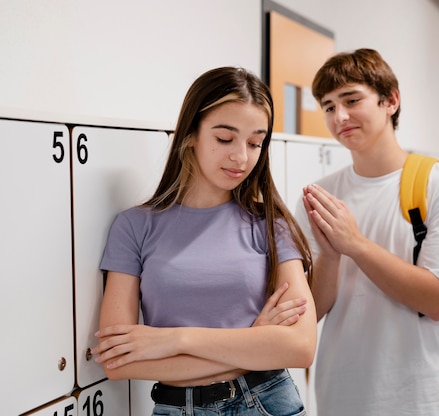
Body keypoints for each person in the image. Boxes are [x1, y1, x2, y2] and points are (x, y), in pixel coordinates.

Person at [92, 66, 317, 416]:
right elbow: (118, 362)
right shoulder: (134, 227)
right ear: (192, 134)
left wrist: (174, 339)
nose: (241, 157)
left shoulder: (270, 225)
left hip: (267, 402)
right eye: (225, 139)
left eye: (255, 142)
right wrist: (253, 341)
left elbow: (301, 348)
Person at [295, 48, 439, 415]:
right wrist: (331, 258)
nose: (340, 116)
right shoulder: (319, 198)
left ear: (390, 100)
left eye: (351, 100)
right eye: (328, 107)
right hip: (341, 392)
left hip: (422, 396)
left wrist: (356, 245)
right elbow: (308, 311)